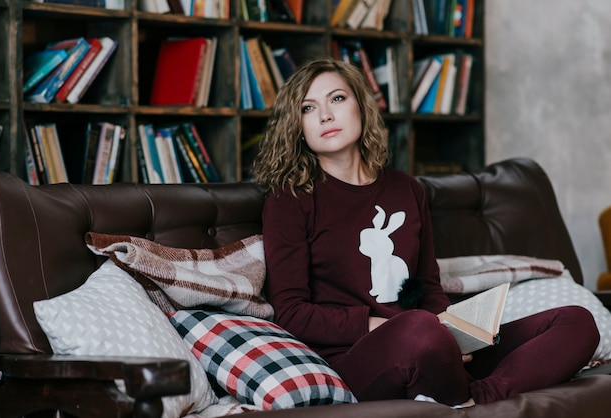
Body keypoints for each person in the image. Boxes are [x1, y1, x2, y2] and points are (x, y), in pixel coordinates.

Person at [252, 57, 599, 406]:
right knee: (418, 329)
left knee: (575, 321)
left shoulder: (407, 189)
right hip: (357, 359)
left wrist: (453, 335)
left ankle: (480, 399)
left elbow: (429, 288)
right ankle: (460, 390)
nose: (325, 114)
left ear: (361, 105)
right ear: (298, 126)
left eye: (337, 99)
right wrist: (390, 326)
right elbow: (291, 311)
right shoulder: (291, 199)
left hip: (431, 343)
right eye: (308, 108)